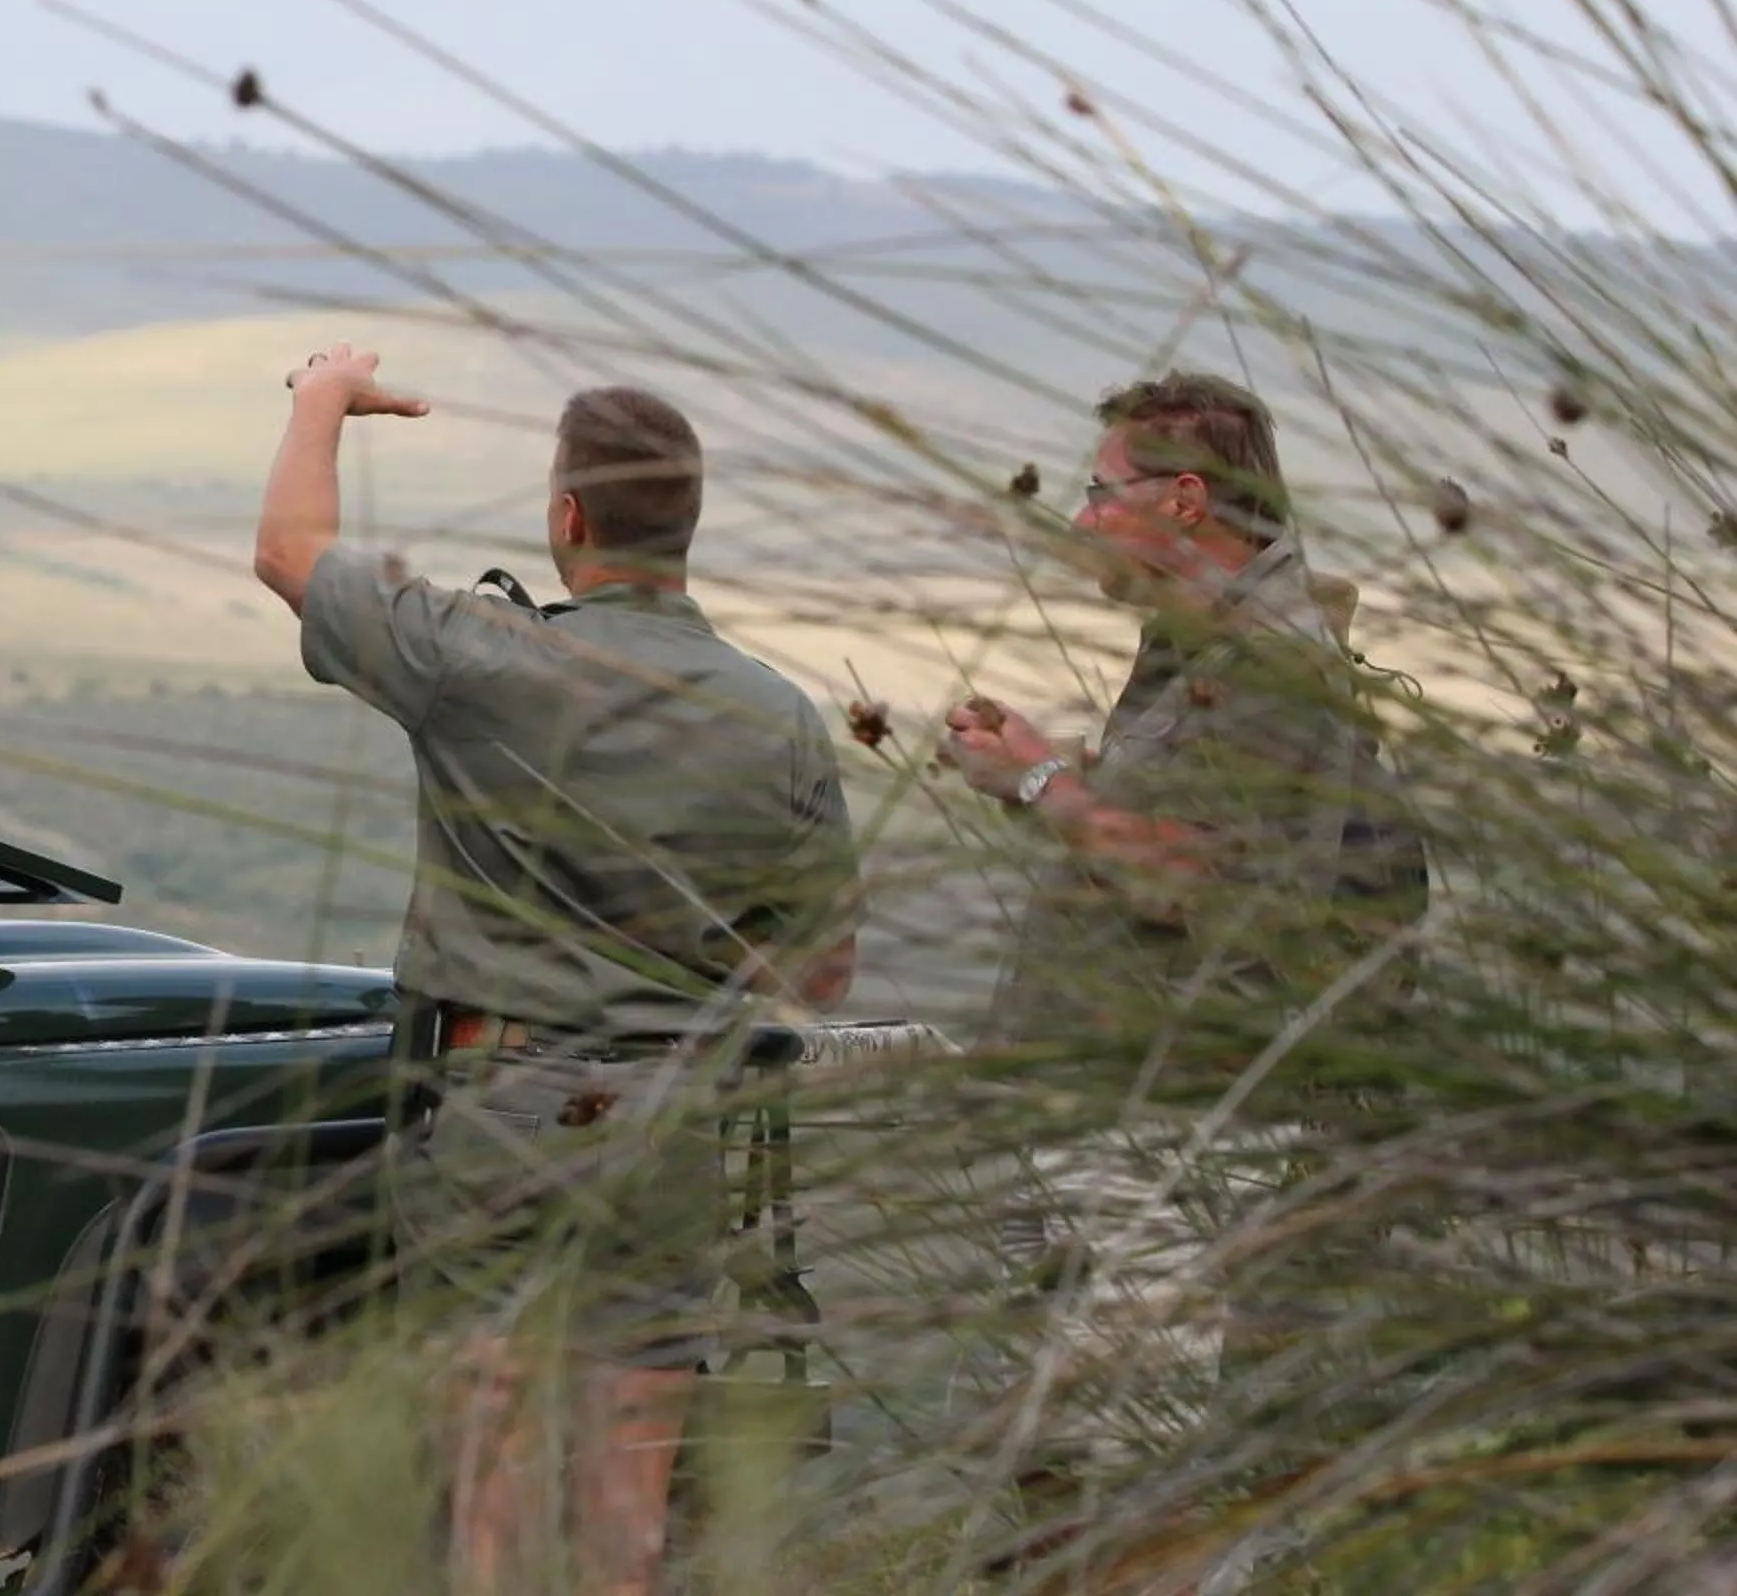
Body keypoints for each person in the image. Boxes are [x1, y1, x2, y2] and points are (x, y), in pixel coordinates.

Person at [254, 344, 859, 1596]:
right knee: (624, 1507)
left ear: (566, 517)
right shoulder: (779, 716)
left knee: (499, 1501)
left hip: (505, 1116)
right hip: (673, 1126)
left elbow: (288, 554)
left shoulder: (490, 657)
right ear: (686, 526)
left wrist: (322, 398)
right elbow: (823, 969)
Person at [938, 369, 1427, 1487]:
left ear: (1186, 499)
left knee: (1125, 1475)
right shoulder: (1201, 644)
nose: (1081, 517)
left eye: (1103, 488)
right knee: (1049, 1465)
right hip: (1123, 1127)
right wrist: (1073, 770)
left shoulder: (1267, 661)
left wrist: (1038, 779)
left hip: (1169, 1139)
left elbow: (1192, 879)